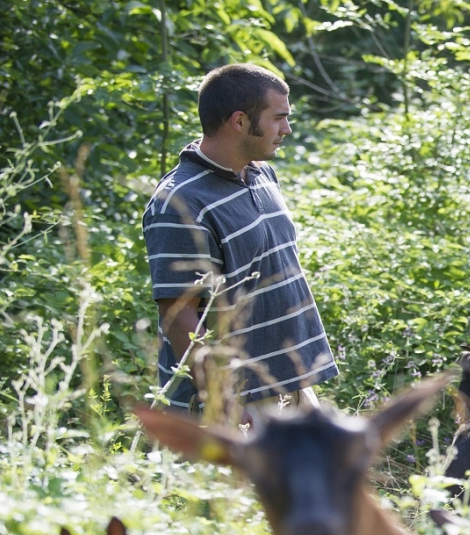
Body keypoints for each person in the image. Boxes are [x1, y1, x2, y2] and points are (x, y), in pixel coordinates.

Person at [143, 63, 337, 420]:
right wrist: (221, 400)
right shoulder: (180, 202)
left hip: (288, 385)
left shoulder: (261, 173)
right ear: (240, 121)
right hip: (235, 401)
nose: (287, 129)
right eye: (278, 118)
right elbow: (178, 314)